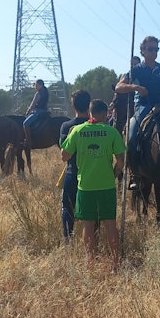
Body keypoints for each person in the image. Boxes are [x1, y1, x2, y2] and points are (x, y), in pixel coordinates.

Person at [60, 99, 126, 271]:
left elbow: (64, 156)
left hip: (85, 186)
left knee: (88, 225)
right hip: (106, 186)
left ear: (90, 113)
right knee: (110, 224)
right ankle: (115, 264)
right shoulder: (111, 132)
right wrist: (114, 174)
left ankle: (91, 263)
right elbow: (121, 161)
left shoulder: (77, 131)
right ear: (104, 114)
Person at [115, 36, 160, 188]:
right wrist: (136, 88)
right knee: (132, 135)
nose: (153, 52)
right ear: (142, 51)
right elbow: (118, 87)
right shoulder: (136, 70)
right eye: (150, 49)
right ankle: (135, 174)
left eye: (156, 49)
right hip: (143, 107)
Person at [59, 89, 91, 243]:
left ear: (73, 106)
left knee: (67, 207)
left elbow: (64, 154)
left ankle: (68, 241)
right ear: (89, 106)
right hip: (93, 175)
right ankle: (93, 240)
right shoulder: (100, 126)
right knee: (93, 212)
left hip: (72, 173)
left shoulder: (66, 126)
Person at [109, 56, 140, 133]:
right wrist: (113, 102)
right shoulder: (125, 76)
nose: (133, 66)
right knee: (110, 122)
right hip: (123, 102)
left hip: (135, 102)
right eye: (132, 64)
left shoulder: (140, 77)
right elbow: (118, 90)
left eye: (136, 64)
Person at [23, 79, 49, 145]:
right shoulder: (46, 92)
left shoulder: (38, 93)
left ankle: (28, 140)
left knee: (25, 124)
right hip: (45, 111)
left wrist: (27, 112)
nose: (35, 87)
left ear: (40, 85)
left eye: (36, 85)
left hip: (38, 111)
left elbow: (33, 104)